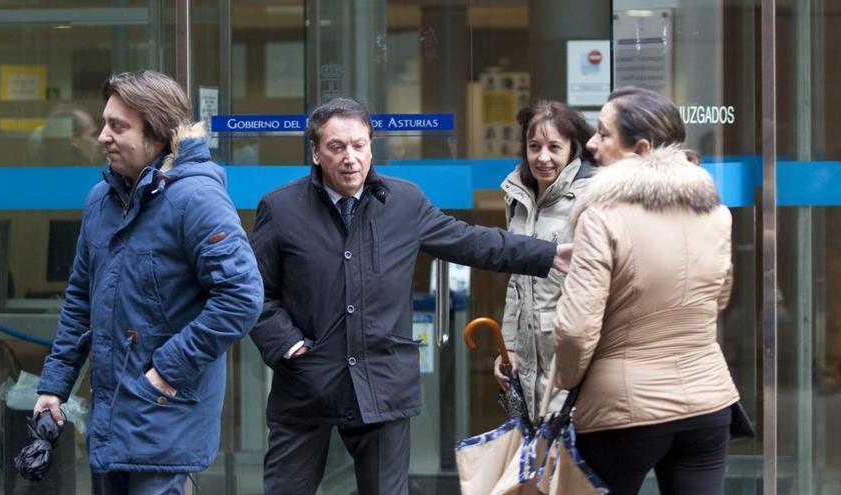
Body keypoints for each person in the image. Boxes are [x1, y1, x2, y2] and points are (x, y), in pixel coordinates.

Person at [250, 97, 571, 495]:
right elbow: (256, 295)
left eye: (359, 145)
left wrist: (549, 254)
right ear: (315, 152)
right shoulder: (281, 208)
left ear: (371, 147)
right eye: (337, 147)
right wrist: (290, 346)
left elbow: (471, 242)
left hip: (382, 384)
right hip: (306, 385)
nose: (350, 158)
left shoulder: (403, 202)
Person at [34, 70, 264, 495]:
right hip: (112, 418)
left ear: (158, 134)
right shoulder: (101, 200)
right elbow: (81, 297)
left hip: (165, 415)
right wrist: (54, 384)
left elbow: (241, 297)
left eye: (118, 127)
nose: (103, 136)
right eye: (104, 123)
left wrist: (165, 372)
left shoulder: (196, 197)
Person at [552, 86, 740, 495]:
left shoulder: (602, 217)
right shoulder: (716, 212)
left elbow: (574, 330)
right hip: (708, 403)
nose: (590, 143)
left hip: (622, 411)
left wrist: (567, 382)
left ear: (639, 149)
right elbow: (718, 297)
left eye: (603, 133)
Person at [495, 100, 596, 422]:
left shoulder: (591, 196)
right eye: (534, 146)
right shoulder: (517, 195)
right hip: (527, 354)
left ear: (573, 148)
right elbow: (516, 283)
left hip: (570, 356)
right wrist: (508, 348)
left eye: (555, 147)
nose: (543, 157)